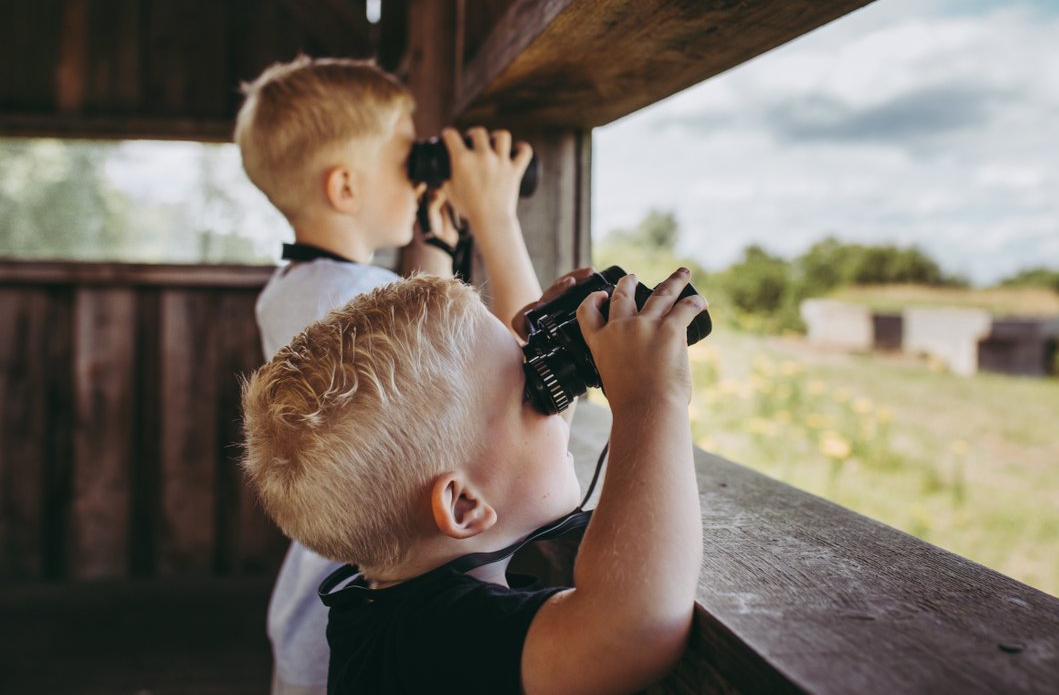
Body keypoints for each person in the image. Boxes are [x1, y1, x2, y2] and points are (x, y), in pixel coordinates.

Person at [234, 55, 545, 693]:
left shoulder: (295, 290)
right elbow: (525, 370)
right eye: (408, 159)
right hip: (356, 633)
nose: (417, 174)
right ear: (346, 187)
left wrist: (432, 234)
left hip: (311, 610)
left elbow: (400, 324)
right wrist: (495, 218)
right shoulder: (347, 294)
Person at [241, 267, 706, 693]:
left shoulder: (384, 616)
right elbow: (631, 630)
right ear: (463, 506)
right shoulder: (435, 639)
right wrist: (650, 399)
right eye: (531, 394)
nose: (553, 406)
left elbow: (497, 436)